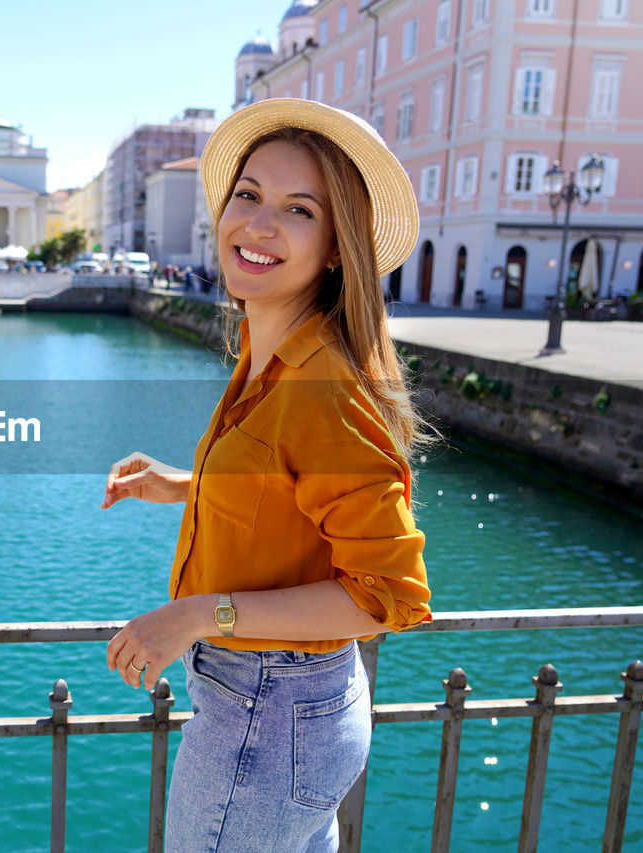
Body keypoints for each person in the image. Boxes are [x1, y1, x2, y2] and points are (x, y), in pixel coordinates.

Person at [101, 99, 434, 852]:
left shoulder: (323, 385)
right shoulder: (273, 352)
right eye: (248, 194)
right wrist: (188, 485)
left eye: (298, 209)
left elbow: (387, 596)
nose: (257, 223)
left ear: (337, 246)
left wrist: (193, 615)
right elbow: (289, 489)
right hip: (283, 711)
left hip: (266, 713)